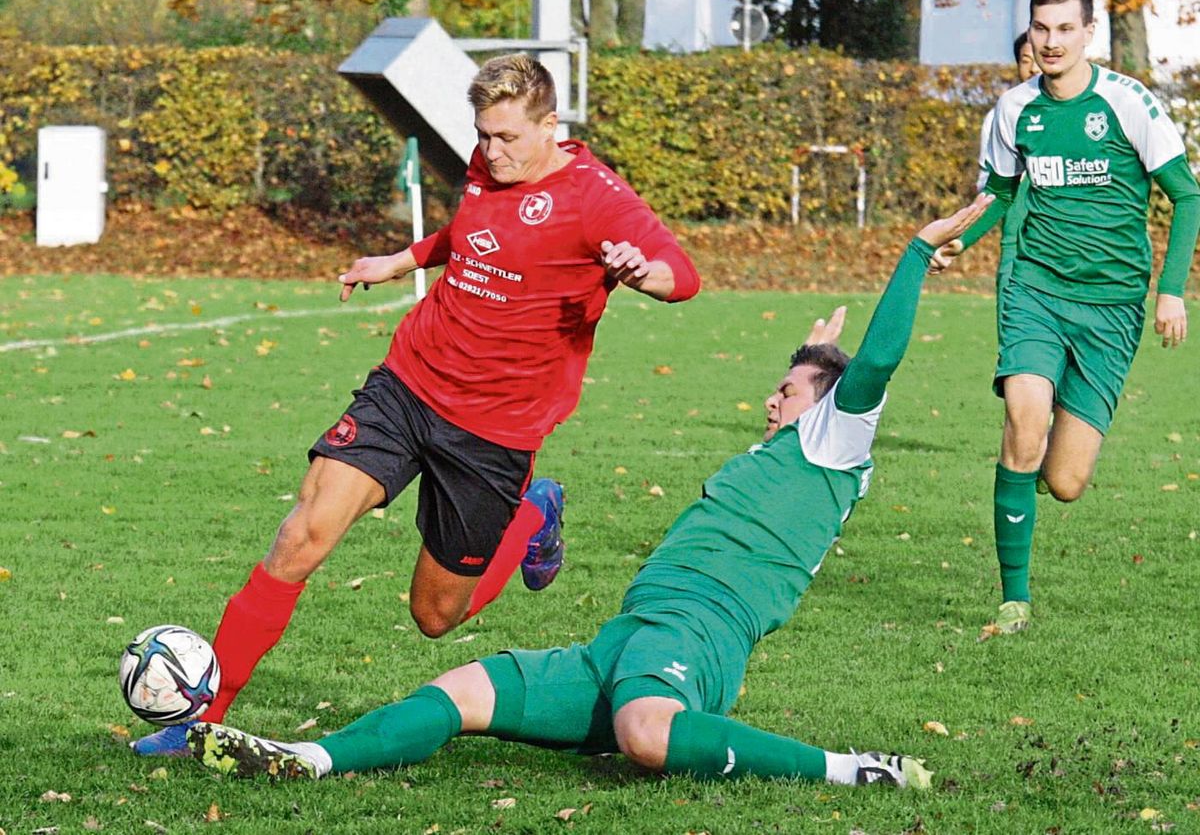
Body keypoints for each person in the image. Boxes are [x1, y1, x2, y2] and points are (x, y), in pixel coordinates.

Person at [184, 196, 995, 789]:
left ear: (829, 408)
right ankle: (309, 758)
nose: (770, 399)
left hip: (697, 637)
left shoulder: (834, 445)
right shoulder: (791, 444)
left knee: (645, 733)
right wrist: (811, 355)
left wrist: (915, 254)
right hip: (623, 639)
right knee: (459, 690)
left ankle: (851, 768)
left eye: (788, 390)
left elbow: (873, 366)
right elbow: (827, 382)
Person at [132, 53, 700, 755]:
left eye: (507, 137)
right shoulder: (489, 164)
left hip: (494, 430)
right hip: (410, 381)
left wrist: (644, 274)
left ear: (551, 125)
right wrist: (398, 262)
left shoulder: (597, 197)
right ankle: (200, 722)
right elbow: (472, 235)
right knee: (303, 532)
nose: (490, 151)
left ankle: (533, 514)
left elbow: (683, 275)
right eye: (482, 135)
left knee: (435, 615)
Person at [938, 0, 1200, 634]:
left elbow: (1188, 195)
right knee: (1023, 419)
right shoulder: (1013, 109)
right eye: (1040, 29)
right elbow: (1000, 194)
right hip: (1037, 289)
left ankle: (1047, 447)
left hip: (1113, 307)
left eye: (1063, 29)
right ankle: (1014, 600)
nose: (1050, 42)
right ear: (1030, 34)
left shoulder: (1127, 103)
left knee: (1065, 482)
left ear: (1088, 32)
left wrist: (1171, 289)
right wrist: (960, 240)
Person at [976, 31, 1038, 310]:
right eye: (1025, 60)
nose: (1033, 68)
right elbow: (990, 187)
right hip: (1017, 251)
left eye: (1038, 58)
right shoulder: (1000, 116)